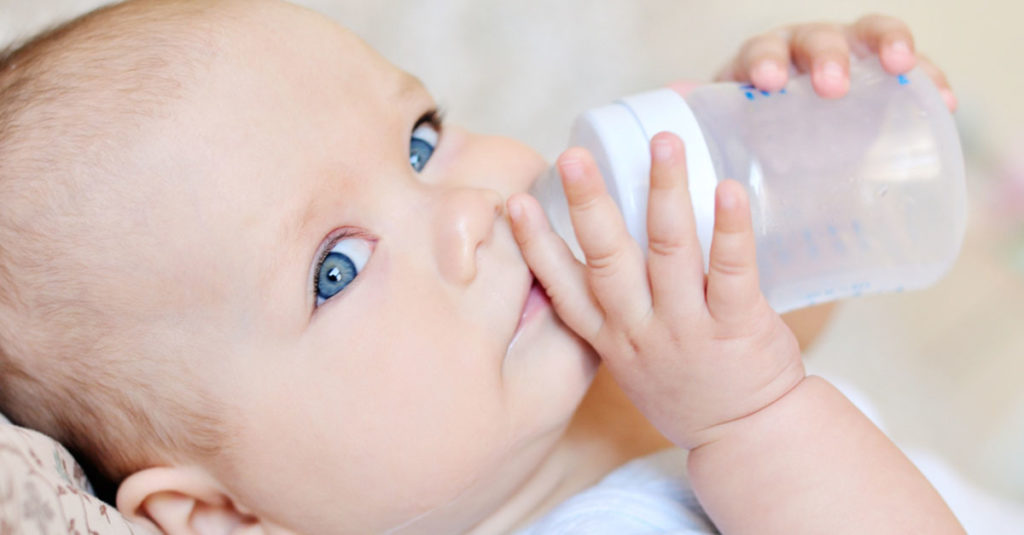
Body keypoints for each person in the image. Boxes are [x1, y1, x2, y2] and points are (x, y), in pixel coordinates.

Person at [0, 0, 964, 533]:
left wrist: (765, 167)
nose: (468, 215)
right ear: (224, 517)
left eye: (420, 141)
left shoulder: (615, 382)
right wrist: (751, 416)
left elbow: (771, 320)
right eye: (335, 268)